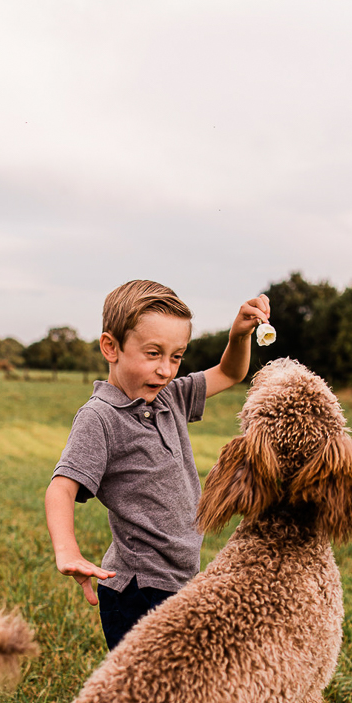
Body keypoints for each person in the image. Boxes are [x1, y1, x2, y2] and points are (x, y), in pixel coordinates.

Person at [45, 278, 270, 650]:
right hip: (138, 591)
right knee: (143, 698)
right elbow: (61, 486)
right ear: (111, 347)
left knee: (177, 693)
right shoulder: (100, 417)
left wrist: (239, 337)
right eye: (153, 354)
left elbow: (230, 374)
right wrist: (67, 550)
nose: (166, 370)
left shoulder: (172, 397)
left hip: (180, 581)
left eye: (177, 356)